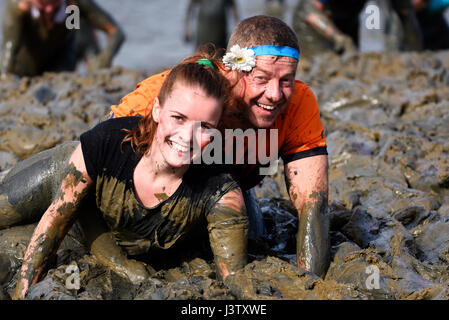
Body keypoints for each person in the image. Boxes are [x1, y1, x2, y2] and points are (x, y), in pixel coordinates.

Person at [0, 52, 248, 300]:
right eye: (178, 118)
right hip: (60, 179)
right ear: (157, 110)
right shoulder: (106, 141)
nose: (188, 135)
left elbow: (234, 279)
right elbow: (53, 224)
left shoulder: (220, 189)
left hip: (94, 231)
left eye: (205, 127)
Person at [110, 15, 331, 278]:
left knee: (256, 237)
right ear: (233, 69)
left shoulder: (298, 102)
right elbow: (100, 162)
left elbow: (313, 204)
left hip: (229, 194)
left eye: (286, 80)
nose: (275, 94)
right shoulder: (176, 93)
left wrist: (312, 284)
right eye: (261, 78)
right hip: (158, 196)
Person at [0, 0, 125, 77]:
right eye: (42, 3)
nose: (49, 9)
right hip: (24, 69)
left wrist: (104, 58)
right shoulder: (18, 7)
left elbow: (115, 31)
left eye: (54, 2)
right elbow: (9, 51)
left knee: (81, 36)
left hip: (61, 64)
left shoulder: (75, 6)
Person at [293, 0, 423, 58]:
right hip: (313, 21)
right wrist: (339, 39)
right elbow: (311, 12)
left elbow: (405, 13)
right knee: (321, 64)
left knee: (351, 63)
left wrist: (414, 54)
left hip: (348, 18)